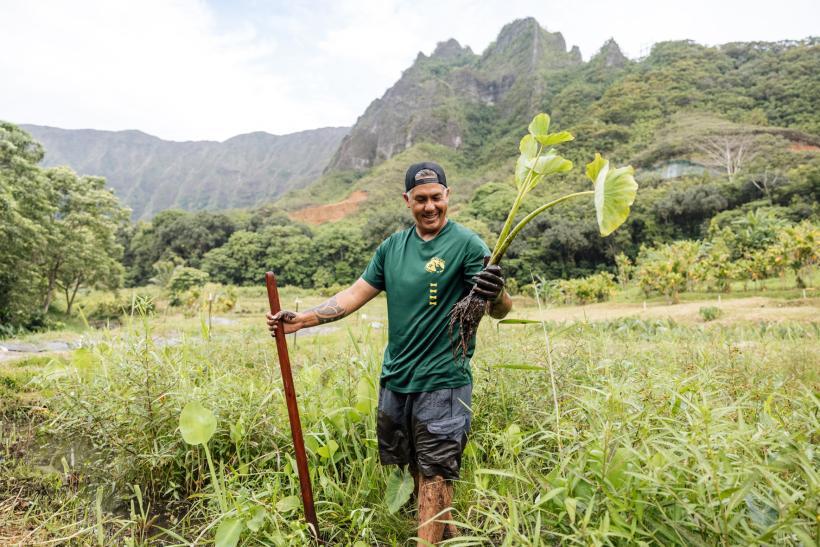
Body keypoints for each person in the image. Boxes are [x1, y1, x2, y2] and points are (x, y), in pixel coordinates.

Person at [266, 161, 512, 544]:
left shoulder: (468, 245)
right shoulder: (392, 248)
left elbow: (498, 309)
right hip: (398, 377)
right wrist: (303, 320)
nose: (429, 206)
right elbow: (353, 295)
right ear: (407, 200)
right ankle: (449, 536)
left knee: (436, 472)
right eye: (420, 200)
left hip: (443, 377)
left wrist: (498, 291)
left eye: (436, 198)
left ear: (448, 196)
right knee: (417, 466)